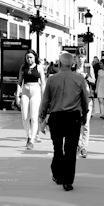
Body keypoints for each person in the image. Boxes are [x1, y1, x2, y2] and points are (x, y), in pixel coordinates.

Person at [40, 52, 89, 192]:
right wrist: (84, 114)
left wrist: (42, 116)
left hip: (56, 117)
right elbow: (85, 99)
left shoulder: (51, 79)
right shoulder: (79, 79)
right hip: (73, 117)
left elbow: (45, 100)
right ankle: (68, 181)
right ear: (72, 64)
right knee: (71, 150)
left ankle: (57, 174)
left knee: (57, 147)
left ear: (59, 63)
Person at [15, 49, 46, 149]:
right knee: (24, 117)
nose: (29, 59)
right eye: (27, 57)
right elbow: (20, 82)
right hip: (25, 90)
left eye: (31, 57)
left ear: (35, 57)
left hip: (35, 90)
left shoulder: (39, 67)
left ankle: (32, 139)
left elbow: (43, 83)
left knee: (33, 117)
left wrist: (44, 96)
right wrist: (17, 96)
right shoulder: (23, 68)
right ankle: (28, 135)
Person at [72, 49, 95, 158]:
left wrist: (86, 76)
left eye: (82, 56)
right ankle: (78, 144)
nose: (81, 59)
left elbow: (94, 80)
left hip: (87, 98)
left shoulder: (88, 67)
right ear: (75, 57)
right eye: (79, 56)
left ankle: (84, 147)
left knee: (85, 124)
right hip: (75, 98)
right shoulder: (72, 68)